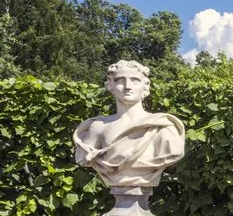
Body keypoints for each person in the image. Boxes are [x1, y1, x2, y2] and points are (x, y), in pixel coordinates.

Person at [73, 60, 185, 191]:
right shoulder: (99, 127)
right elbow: (83, 158)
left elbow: (174, 153)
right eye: (120, 80)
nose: (127, 86)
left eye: (135, 80)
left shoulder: (163, 126)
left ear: (146, 85)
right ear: (110, 85)